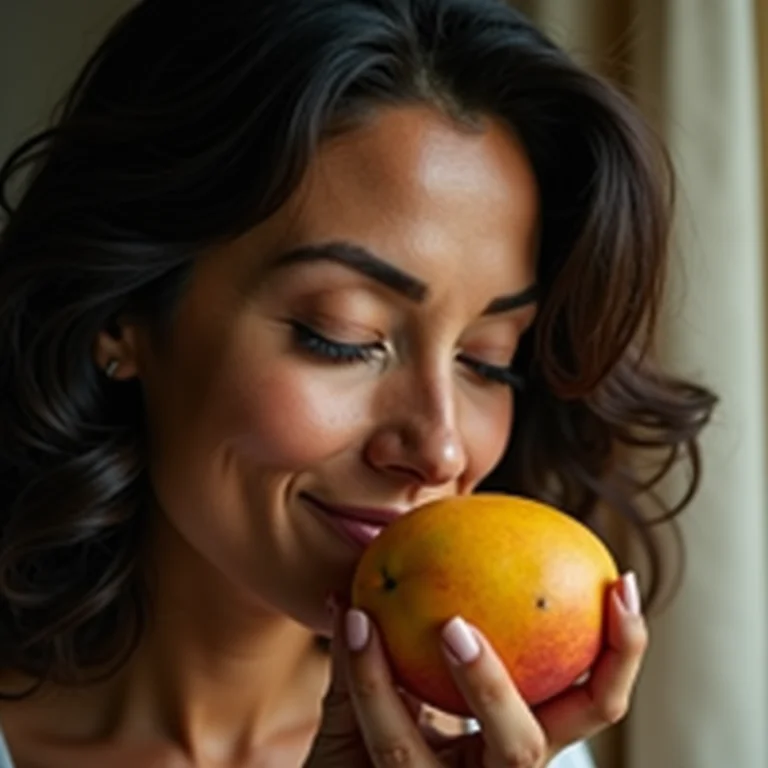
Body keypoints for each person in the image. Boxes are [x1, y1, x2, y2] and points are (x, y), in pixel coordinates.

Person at [0, 0, 717, 765]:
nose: (440, 450)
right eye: (342, 337)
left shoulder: (499, 751)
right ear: (123, 314)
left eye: (488, 360)